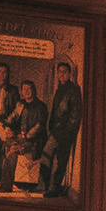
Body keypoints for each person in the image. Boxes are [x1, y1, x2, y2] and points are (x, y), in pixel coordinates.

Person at [43, 60, 83, 197]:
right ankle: (48, 185)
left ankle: (54, 187)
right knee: (49, 155)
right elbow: (56, 110)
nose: (61, 74)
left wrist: (68, 131)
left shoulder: (74, 89)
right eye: (59, 72)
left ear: (69, 73)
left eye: (64, 72)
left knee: (61, 159)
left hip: (65, 131)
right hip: (56, 129)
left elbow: (76, 113)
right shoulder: (60, 88)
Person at [0, 81, 48, 192]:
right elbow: (12, 117)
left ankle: (6, 186)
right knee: (7, 143)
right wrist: (7, 126)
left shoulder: (41, 106)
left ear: (34, 90)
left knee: (12, 151)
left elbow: (39, 126)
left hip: (34, 141)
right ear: (21, 91)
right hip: (20, 138)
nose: (26, 92)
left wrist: (25, 136)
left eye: (29, 89)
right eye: (24, 89)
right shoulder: (20, 104)